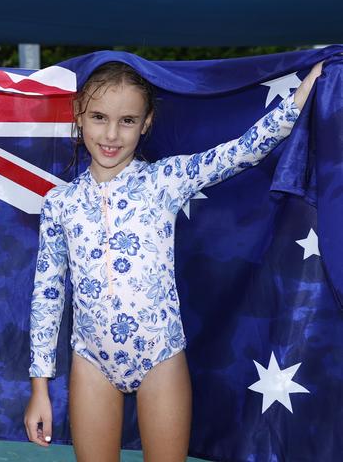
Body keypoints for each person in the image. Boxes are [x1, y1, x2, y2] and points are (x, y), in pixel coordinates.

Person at [24, 60, 322, 461]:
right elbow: (47, 296)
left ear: (146, 123)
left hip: (160, 358)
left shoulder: (166, 179)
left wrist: (305, 91)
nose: (111, 134)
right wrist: (39, 388)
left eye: (127, 120)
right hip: (91, 362)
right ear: (79, 114)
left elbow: (245, 149)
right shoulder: (59, 204)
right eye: (99, 117)